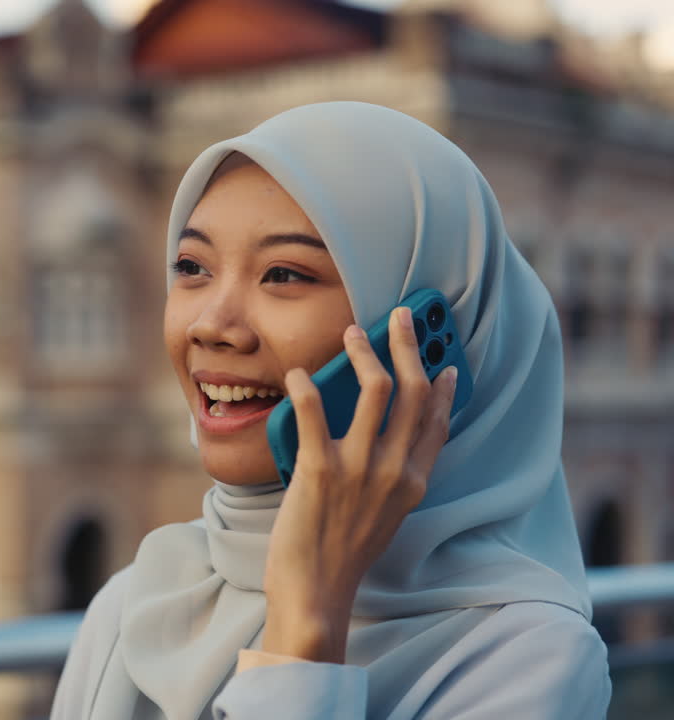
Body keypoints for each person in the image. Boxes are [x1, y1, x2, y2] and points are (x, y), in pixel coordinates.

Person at [49, 102, 610, 720]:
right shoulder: (141, 600)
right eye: (191, 268)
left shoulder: (528, 657)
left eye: (284, 274)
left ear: (419, 336)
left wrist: (304, 633)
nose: (212, 325)